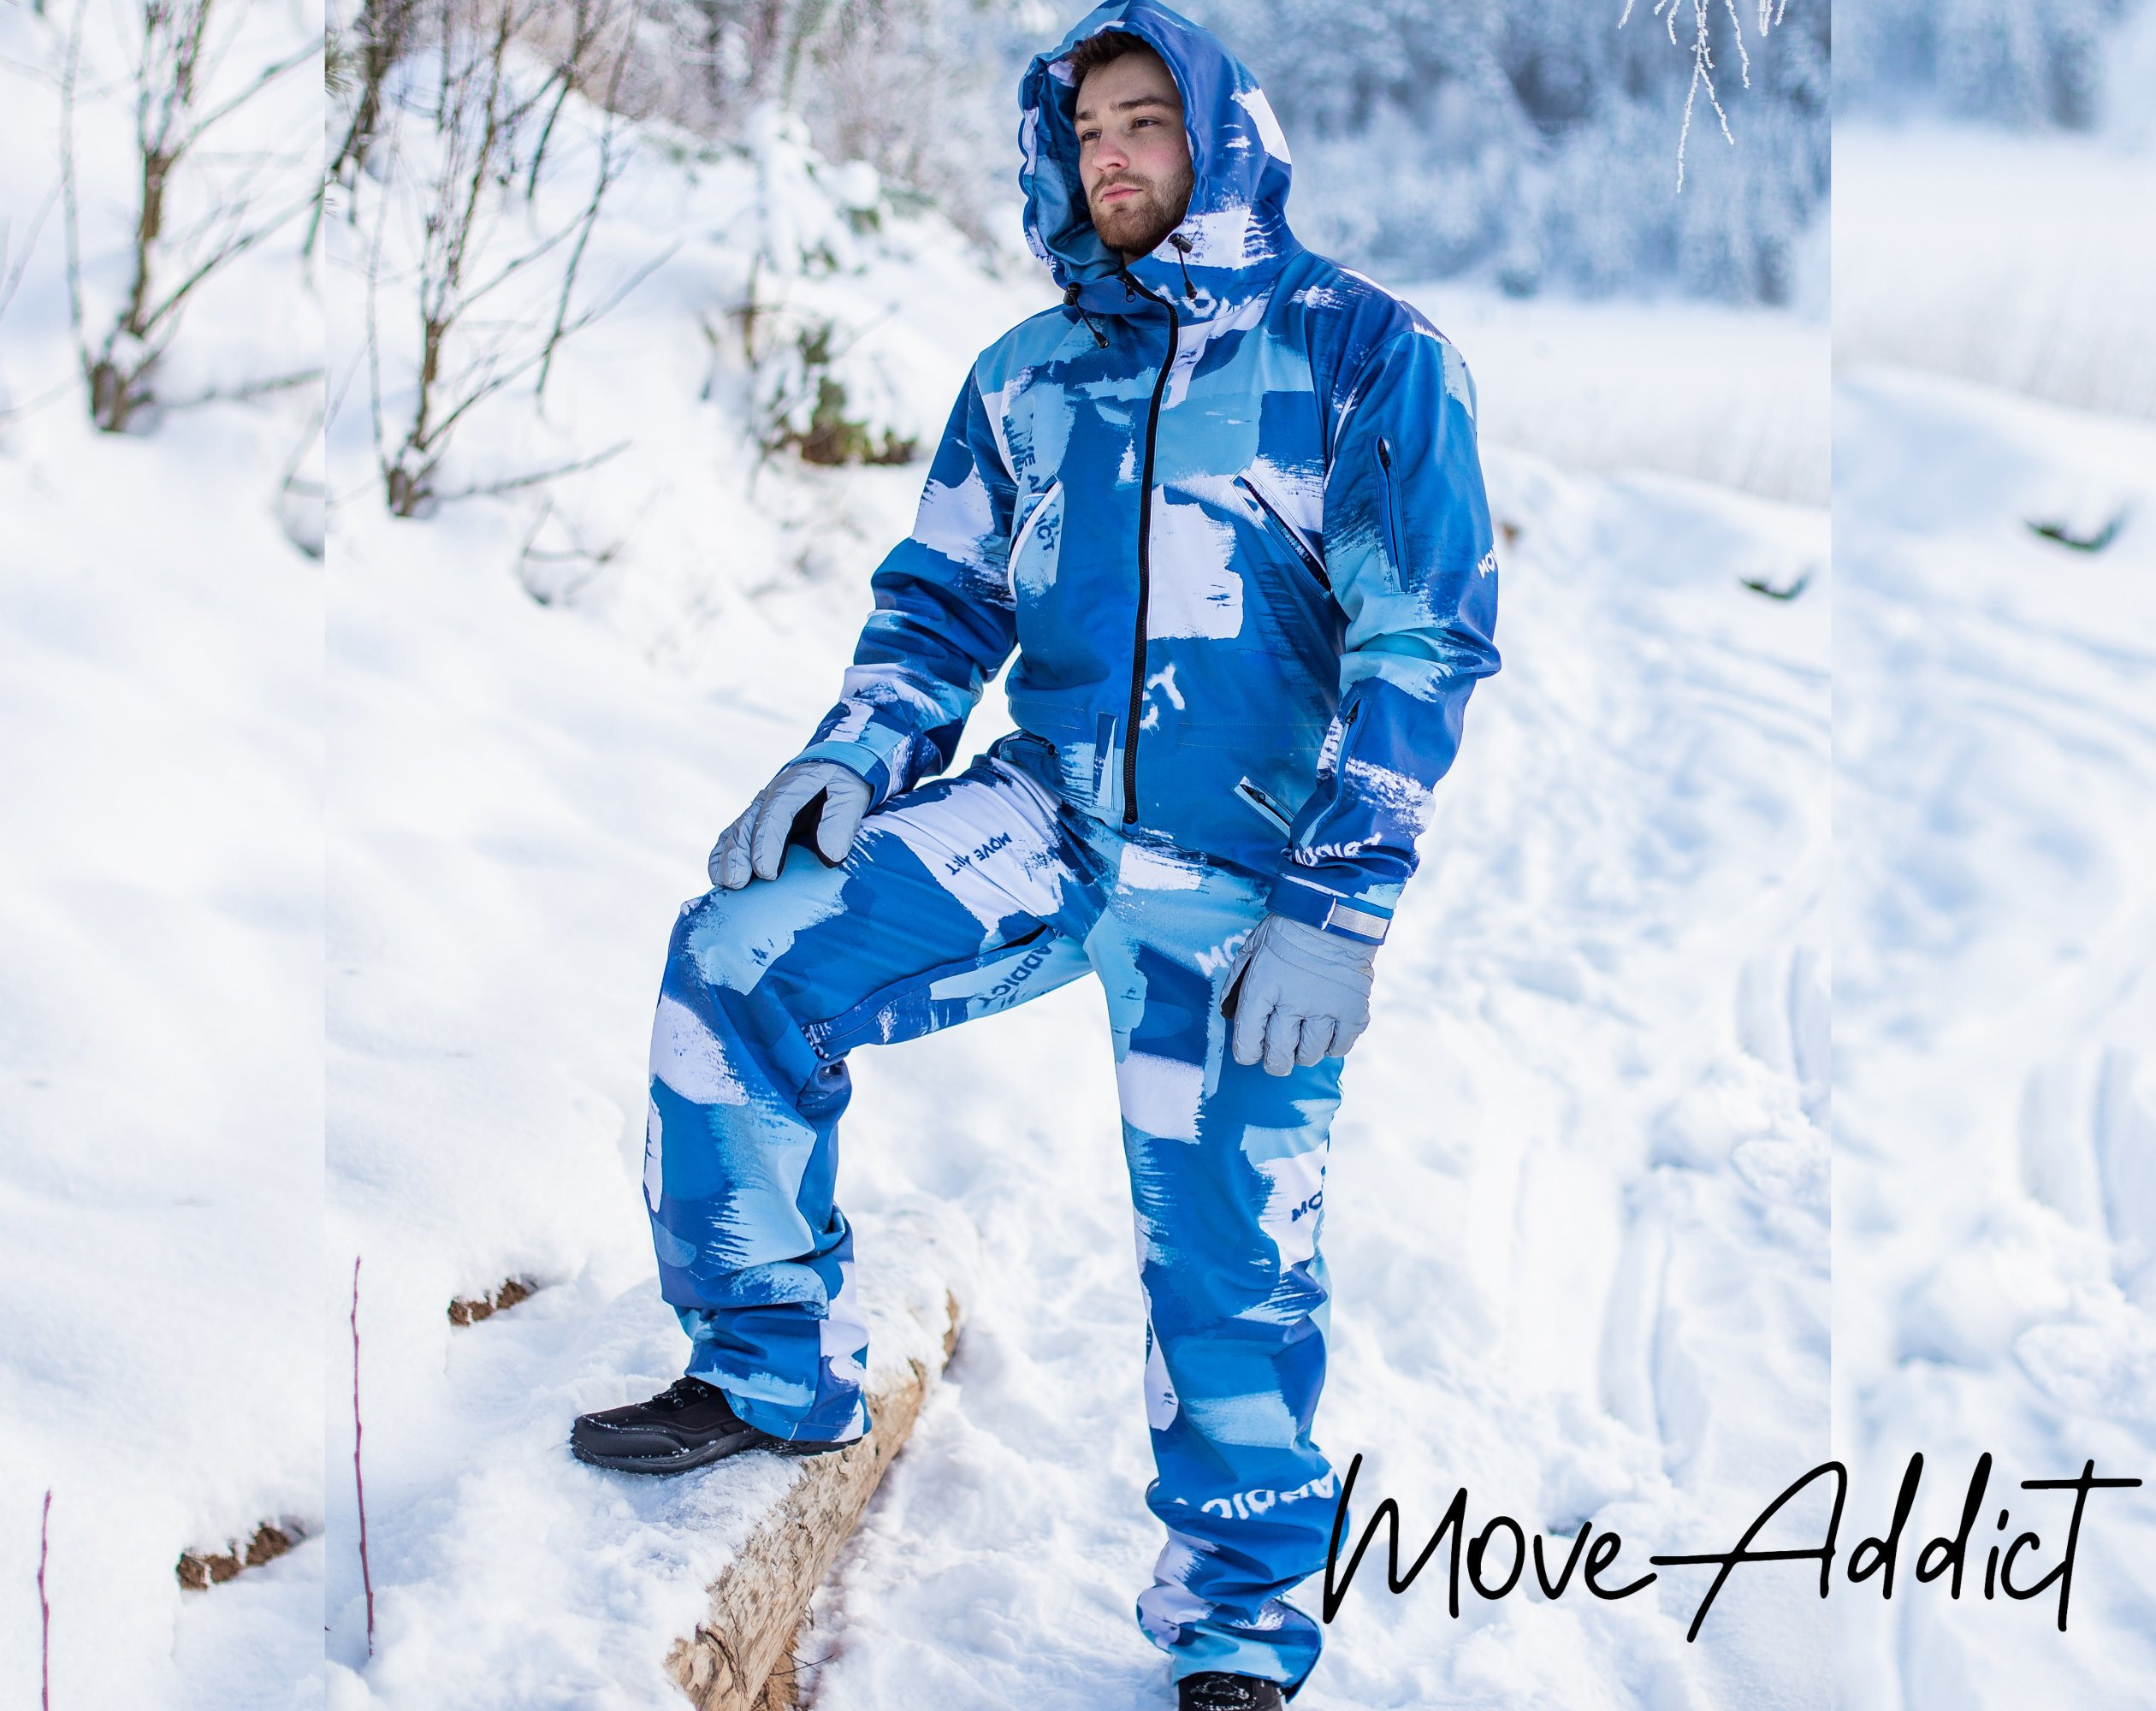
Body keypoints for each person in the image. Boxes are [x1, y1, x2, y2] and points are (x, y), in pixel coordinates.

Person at [570, 3, 1500, 1704]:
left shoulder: (1366, 356)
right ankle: (769, 1364)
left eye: (1147, 121)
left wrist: (1342, 904)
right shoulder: (1027, 374)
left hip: (1244, 871)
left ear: (1224, 133)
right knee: (741, 951)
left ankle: (1237, 1616)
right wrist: (850, 755)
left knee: (1230, 1253)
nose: (1117, 156)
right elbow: (941, 603)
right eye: (1089, 136)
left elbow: (1422, 645)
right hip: (1049, 817)